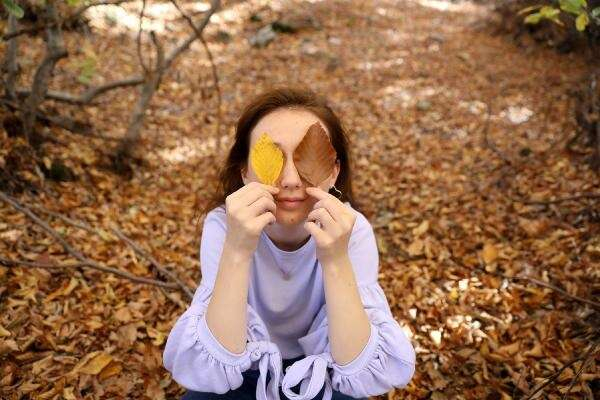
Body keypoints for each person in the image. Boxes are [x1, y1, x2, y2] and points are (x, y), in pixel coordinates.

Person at [163, 86, 415, 400]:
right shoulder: (223, 226)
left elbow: (357, 370)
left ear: (334, 171)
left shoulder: (352, 231)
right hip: (242, 366)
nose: (291, 180)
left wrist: (335, 259)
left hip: (325, 369)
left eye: (306, 157)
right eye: (272, 157)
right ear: (244, 172)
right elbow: (215, 364)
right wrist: (238, 249)